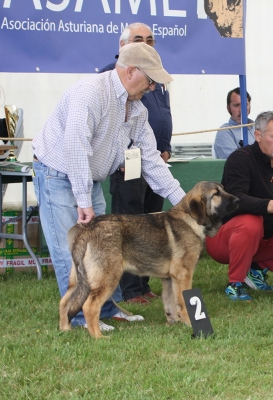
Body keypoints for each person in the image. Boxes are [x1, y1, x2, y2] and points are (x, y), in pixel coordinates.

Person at [32, 43, 186, 332]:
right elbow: (76, 147)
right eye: (150, 80)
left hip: (88, 178)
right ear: (130, 72)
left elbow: (151, 159)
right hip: (57, 175)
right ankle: (79, 318)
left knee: (105, 253)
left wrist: (184, 202)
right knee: (73, 252)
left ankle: (106, 309)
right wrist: (83, 200)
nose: (153, 88)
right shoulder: (90, 93)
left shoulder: (136, 108)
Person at [99, 22, 171, 305]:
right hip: (126, 164)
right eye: (138, 39)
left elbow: (161, 115)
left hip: (155, 161)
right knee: (129, 227)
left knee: (150, 225)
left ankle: (142, 284)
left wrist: (164, 148)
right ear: (122, 47)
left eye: (150, 39)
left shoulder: (157, 78)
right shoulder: (111, 76)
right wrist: (119, 156)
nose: (146, 43)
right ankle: (128, 290)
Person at [206, 111, 273, 301]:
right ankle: (235, 284)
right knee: (251, 222)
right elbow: (235, 199)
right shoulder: (240, 159)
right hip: (223, 238)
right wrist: (271, 205)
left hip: (264, 238)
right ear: (258, 135)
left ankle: (255, 270)